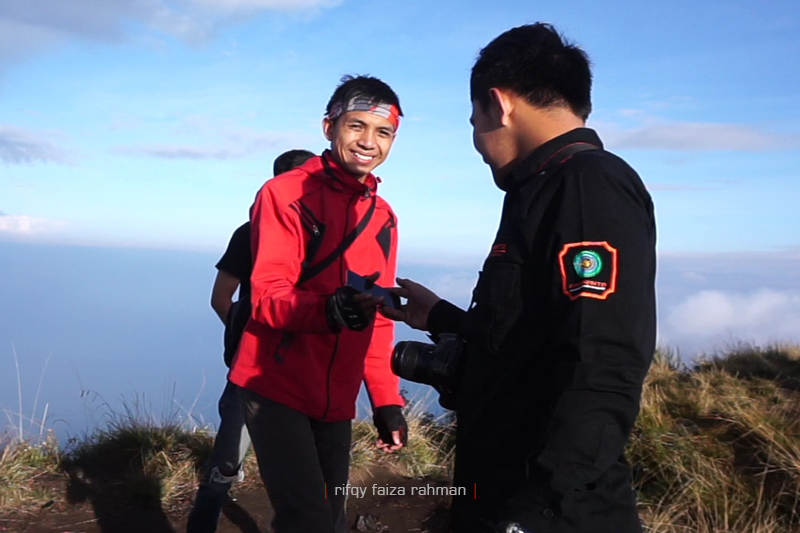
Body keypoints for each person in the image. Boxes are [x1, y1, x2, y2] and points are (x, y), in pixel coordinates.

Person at [382, 24, 656, 533]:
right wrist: (440, 318)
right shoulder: (539, 189)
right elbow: (529, 341)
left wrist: (541, 510)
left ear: (499, 104)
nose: (478, 142)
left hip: (551, 508)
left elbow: (602, 362)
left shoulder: (585, 185)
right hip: (501, 488)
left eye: (473, 121)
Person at [227, 75, 408, 533]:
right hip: (275, 383)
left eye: (383, 132)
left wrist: (386, 399)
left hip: (337, 396)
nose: (369, 141)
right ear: (329, 127)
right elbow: (267, 295)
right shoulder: (285, 194)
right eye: (356, 126)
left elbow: (379, 316)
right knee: (306, 519)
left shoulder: (383, 216)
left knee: (328, 515)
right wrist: (328, 311)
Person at [186, 149, 316, 533]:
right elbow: (221, 298)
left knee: (294, 466)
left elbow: (221, 299)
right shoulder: (250, 234)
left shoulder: (323, 237)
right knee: (228, 459)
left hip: (299, 365)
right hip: (255, 370)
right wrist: (252, 342)